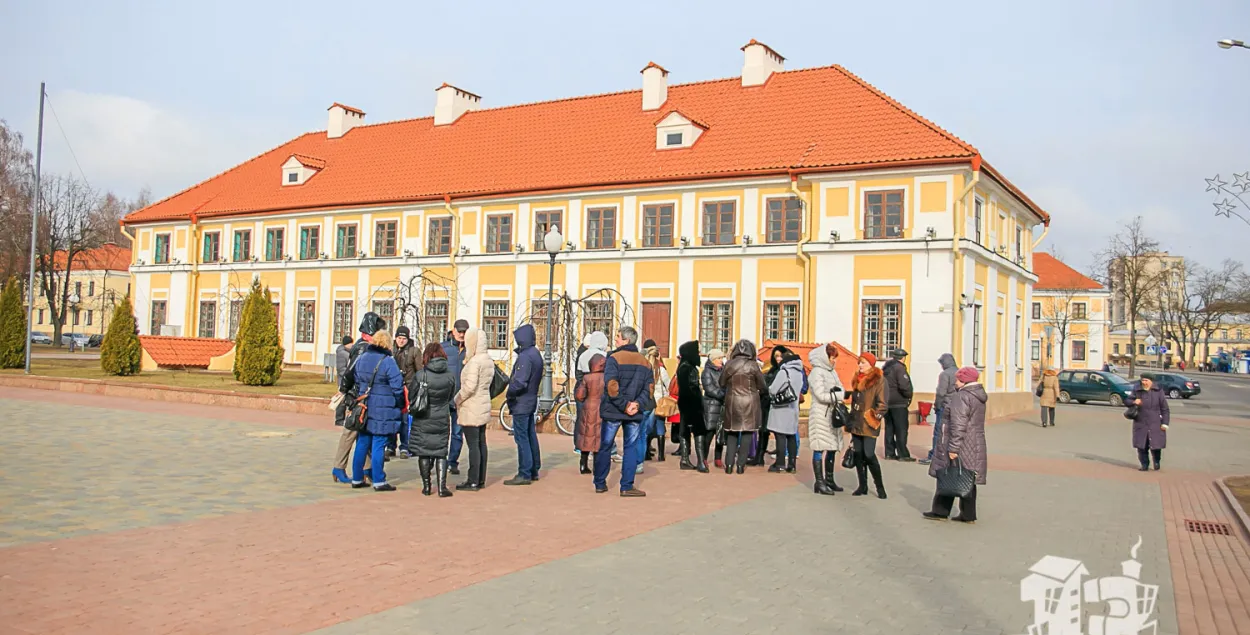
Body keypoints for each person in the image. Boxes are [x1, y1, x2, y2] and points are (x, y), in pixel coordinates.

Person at [923, 367, 987, 523]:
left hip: (960, 442)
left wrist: (953, 448)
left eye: (958, 379)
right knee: (967, 476)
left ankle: (940, 511)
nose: (955, 383)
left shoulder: (962, 397)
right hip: (974, 442)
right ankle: (968, 515)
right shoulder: (978, 396)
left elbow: (958, 424)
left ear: (964, 381)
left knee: (948, 473)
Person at [596, 326, 654, 497]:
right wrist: (636, 404)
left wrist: (624, 405)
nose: (615, 340)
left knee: (605, 445)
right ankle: (626, 486)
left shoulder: (614, 358)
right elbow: (649, 389)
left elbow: (611, 386)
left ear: (626, 340)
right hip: (633, 410)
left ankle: (600, 482)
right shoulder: (645, 362)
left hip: (614, 409)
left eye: (618, 337)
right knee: (631, 447)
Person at [348, 329, 405, 492]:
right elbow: (397, 386)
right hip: (383, 407)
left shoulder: (362, 357)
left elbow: (357, 379)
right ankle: (379, 480)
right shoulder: (388, 361)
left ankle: (357, 478)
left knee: (362, 442)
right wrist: (399, 403)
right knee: (379, 443)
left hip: (365, 405)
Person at [332, 313, 385, 484]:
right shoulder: (364, 348)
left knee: (364, 431)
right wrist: (345, 391)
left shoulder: (362, 346)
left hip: (362, 394)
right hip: (358, 396)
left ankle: (367, 468)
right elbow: (350, 372)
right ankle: (339, 467)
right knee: (351, 431)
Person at [408, 343, 456, 497]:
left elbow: (411, 396)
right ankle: (442, 488)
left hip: (423, 417)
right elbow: (450, 396)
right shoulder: (450, 375)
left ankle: (427, 486)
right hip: (442, 416)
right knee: (441, 452)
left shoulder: (421, 375)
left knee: (424, 452)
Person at [454, 327, 494, 491]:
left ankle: (472, 480)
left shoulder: (475, 362)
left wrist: (457, 399)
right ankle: (480, 479)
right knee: (481, 443)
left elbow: (469, 387)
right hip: (483, 403)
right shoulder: (487, 360)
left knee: (473, 445)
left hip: (471, 406)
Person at [720, 340, 767, 474]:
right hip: (750, 401)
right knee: (747, 432)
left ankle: (729, 465)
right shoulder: (753, 365)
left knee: (731, 433)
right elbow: (762, 385)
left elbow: (721, 382)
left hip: (733, 401)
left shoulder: (729, 364)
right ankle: (740, 465)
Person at [504, 324, 543, 485]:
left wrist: (509, 393)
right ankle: (533, 469)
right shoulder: (535, 354)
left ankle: (524, 472)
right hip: (530, 400)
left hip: (522, 401)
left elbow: (520, 382)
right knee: (529, 435)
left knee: (522, 438)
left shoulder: (525, 357)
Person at [847, 352, 887, 499]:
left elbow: (882, 404)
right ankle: (862, 485)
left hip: (869, 422)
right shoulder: (857, 379)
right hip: (856, 422)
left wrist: (874, 416)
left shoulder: (879, 380)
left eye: (863, 362)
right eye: (859, 362)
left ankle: (879, 486)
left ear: (871, 364)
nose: (860, 365)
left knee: (869, 454)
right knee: (858, 454)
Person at [807, 343, 845, 495]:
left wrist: (838, 393)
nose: (834, 361)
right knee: (819, 447)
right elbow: (821, 395)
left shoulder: (832, 372)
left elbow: (840, 387)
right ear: (825, 357)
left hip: (832, 414)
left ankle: (829, 480)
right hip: (821, 414)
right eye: (832, 357)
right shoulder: (816, 373)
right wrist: (839, 395)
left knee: (832, 448)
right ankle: (819, 482)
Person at [767, 346, 805, 474]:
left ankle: (780, 464)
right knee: (791, 436)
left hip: (781, 408)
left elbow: (773, 389)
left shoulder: (784, 372)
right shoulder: (799, 372)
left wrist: (769, 390)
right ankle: (792, 465)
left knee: (780, 436)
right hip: (793, 408)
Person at [576, 331, 610, 474]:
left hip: (587, 399)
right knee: (599, 434)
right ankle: (598, 464)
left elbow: (578, 375)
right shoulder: (606, 357)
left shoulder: (583, 355)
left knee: (585, 431)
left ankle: (583, 463)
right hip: (601, 402)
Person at [675, 341, 709, 472]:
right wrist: (696, 401)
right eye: (697, 351)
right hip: (691, 403)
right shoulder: (688, 367)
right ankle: (700, 462)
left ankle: (685, 459)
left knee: (685, 430)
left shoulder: (684, 366)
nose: (699, 354)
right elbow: (690, 388)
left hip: (686, 402)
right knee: (698, 430)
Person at [441, 320, 469, 475]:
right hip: (445, 397)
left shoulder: (470, 350)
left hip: (461, 399)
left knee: (458, 433)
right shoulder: (443, 348)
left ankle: (452, 461)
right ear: (453, 331)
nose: (462, 334)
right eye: (459, 331)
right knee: (443, 432)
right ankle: (440, 460)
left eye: (465, 331)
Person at [922, 353, 959, 465]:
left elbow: (941, 393)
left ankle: (934, 455)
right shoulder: (959, 372)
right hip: (957, 406)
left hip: (945, 406)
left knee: (939, 432)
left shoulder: (945, 374)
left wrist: (937, 405)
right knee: (953, 432)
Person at [390, 325, 420, 459]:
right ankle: (390, 446)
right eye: (399, 338)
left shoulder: (414, 351)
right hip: (392, 388)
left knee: (404, 420)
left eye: (404, 338)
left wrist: (415, 387)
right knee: (392, 418)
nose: (401, 341)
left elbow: (419, 371)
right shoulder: (390, 350)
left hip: (408, 388)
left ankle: (405, 446)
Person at [882, 348, 915, 462]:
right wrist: (908, 395)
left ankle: (889, 453)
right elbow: (904, 385)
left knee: (889, 428)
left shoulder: (886, 368)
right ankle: (903, 454)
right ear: (903, 358)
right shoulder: (899, 368)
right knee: (901, 429)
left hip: (887, 402)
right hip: (899, 403)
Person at [1131, 376, 1170, 471]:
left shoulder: (1158, 392)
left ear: (1151, 381)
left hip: (1155, 423)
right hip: (1141, 423)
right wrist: (1133, 401)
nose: (1144, 382)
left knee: (1156, 446)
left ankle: (1156, 461)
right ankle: (1144, 464)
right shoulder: (1137, 390)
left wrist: (1165, 423)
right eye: (1142, 380)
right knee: (1141, 446)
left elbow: (1165, 409)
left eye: (1146, 380)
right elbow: (1127, 400)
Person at [643, 340, 670, 462]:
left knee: (647, 427)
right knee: (660, 426)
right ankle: (661, 455)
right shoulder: (660, 370)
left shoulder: (644, 369)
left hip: (647, 402)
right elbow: (668, 385)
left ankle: (646, 453)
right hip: (659, 402)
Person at [701, 348, 727, 469]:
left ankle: (718, 458)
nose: (721, 360)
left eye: (722, 358)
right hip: (711, 405)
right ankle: (704, 458)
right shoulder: (706, 371)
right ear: (713, 359)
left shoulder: (724, 370)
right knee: (709, 432)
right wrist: (723, 394)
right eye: (719, 358)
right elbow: (709, 388)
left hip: (722, 405)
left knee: (721, 433)